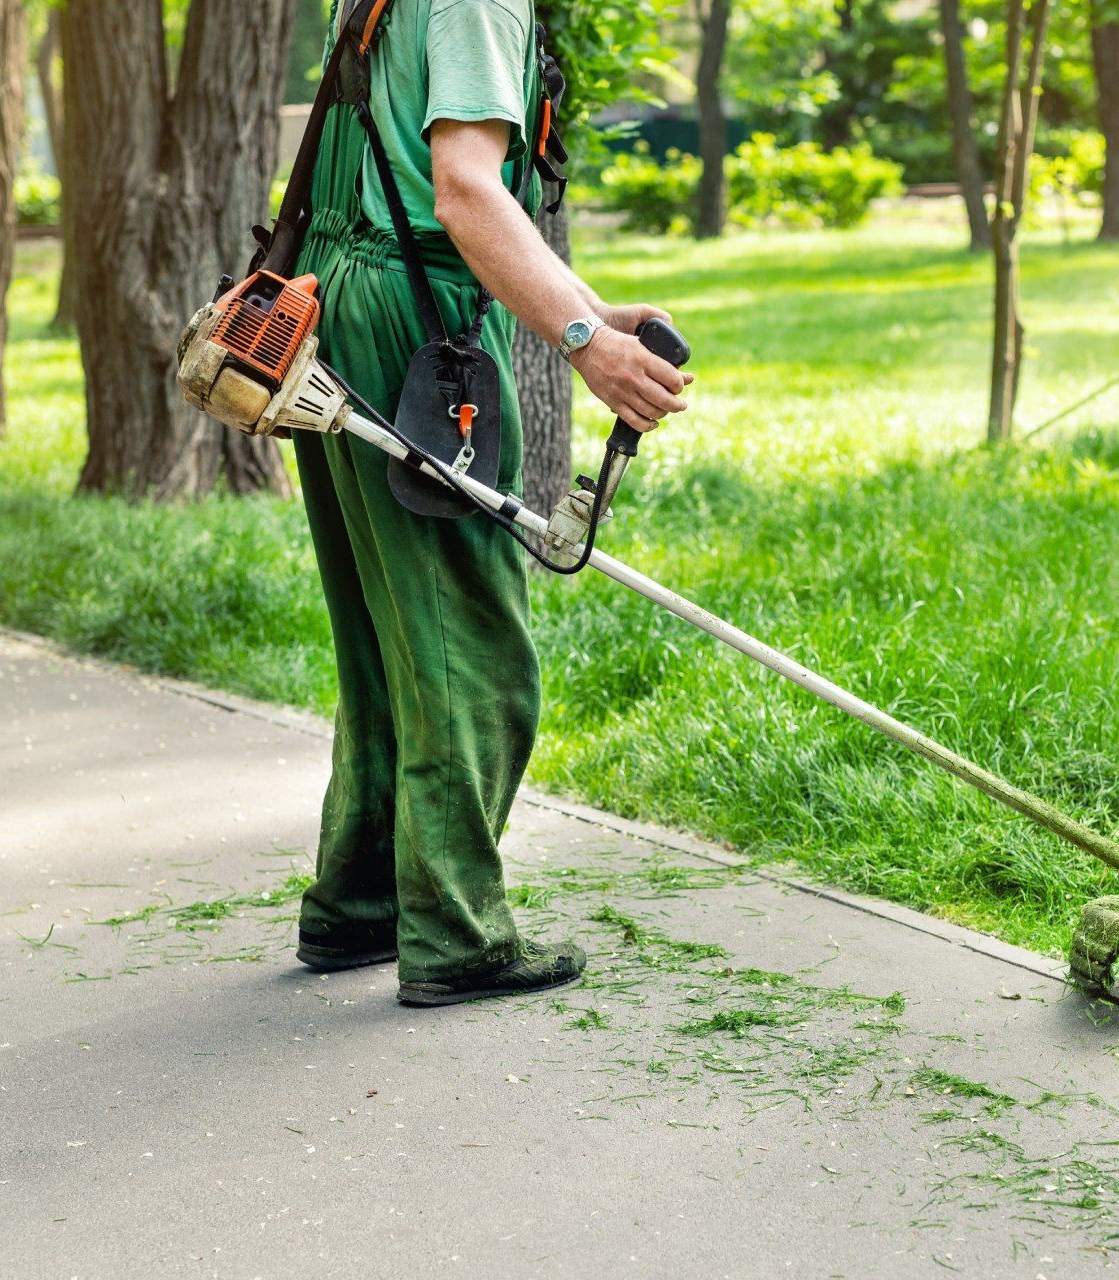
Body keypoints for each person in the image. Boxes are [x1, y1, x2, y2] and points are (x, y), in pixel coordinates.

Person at [290, 0, 691, 1005]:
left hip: (341, 300)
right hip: (418, 326)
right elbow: (463, 194)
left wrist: (585, 305)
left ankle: (359, 906)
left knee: (390, 639)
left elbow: (398, 181)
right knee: (470, 649)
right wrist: (588, 349)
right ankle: (456, 935)